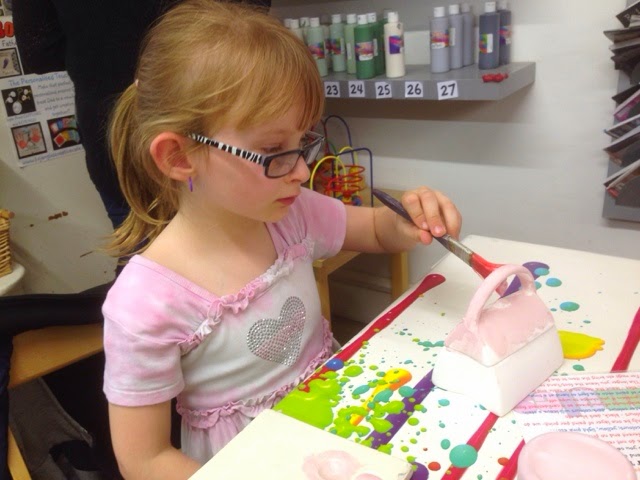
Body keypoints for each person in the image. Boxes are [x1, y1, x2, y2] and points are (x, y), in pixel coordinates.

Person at [102, 1, 462, 478]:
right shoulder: (144, 304)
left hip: (337, 430)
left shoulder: (292, 215)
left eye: (303, 142)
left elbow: (376, 229)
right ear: (179, 157)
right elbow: (143, 459)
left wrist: (410, 218)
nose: (300, 171)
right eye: (273, 150)